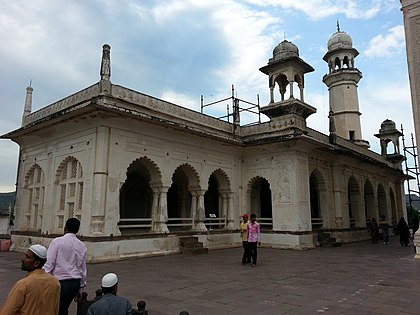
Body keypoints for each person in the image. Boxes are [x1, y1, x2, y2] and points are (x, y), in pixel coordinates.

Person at [44, 217, 88, 315]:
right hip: (75, 283)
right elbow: (82, 269)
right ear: (77, 230)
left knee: (54, 309)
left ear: (65, 228)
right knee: (63, 308)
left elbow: (49, 264)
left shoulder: (57, 242)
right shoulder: (82, 246)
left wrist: (43, 280)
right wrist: (81, 288)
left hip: (60, 282)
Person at [0, 244, 60, 315]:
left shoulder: (23, 284)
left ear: (36, 263)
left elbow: (8, 311)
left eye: (27, 257)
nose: (22, 259)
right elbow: (55, 308)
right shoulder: (55, 282)